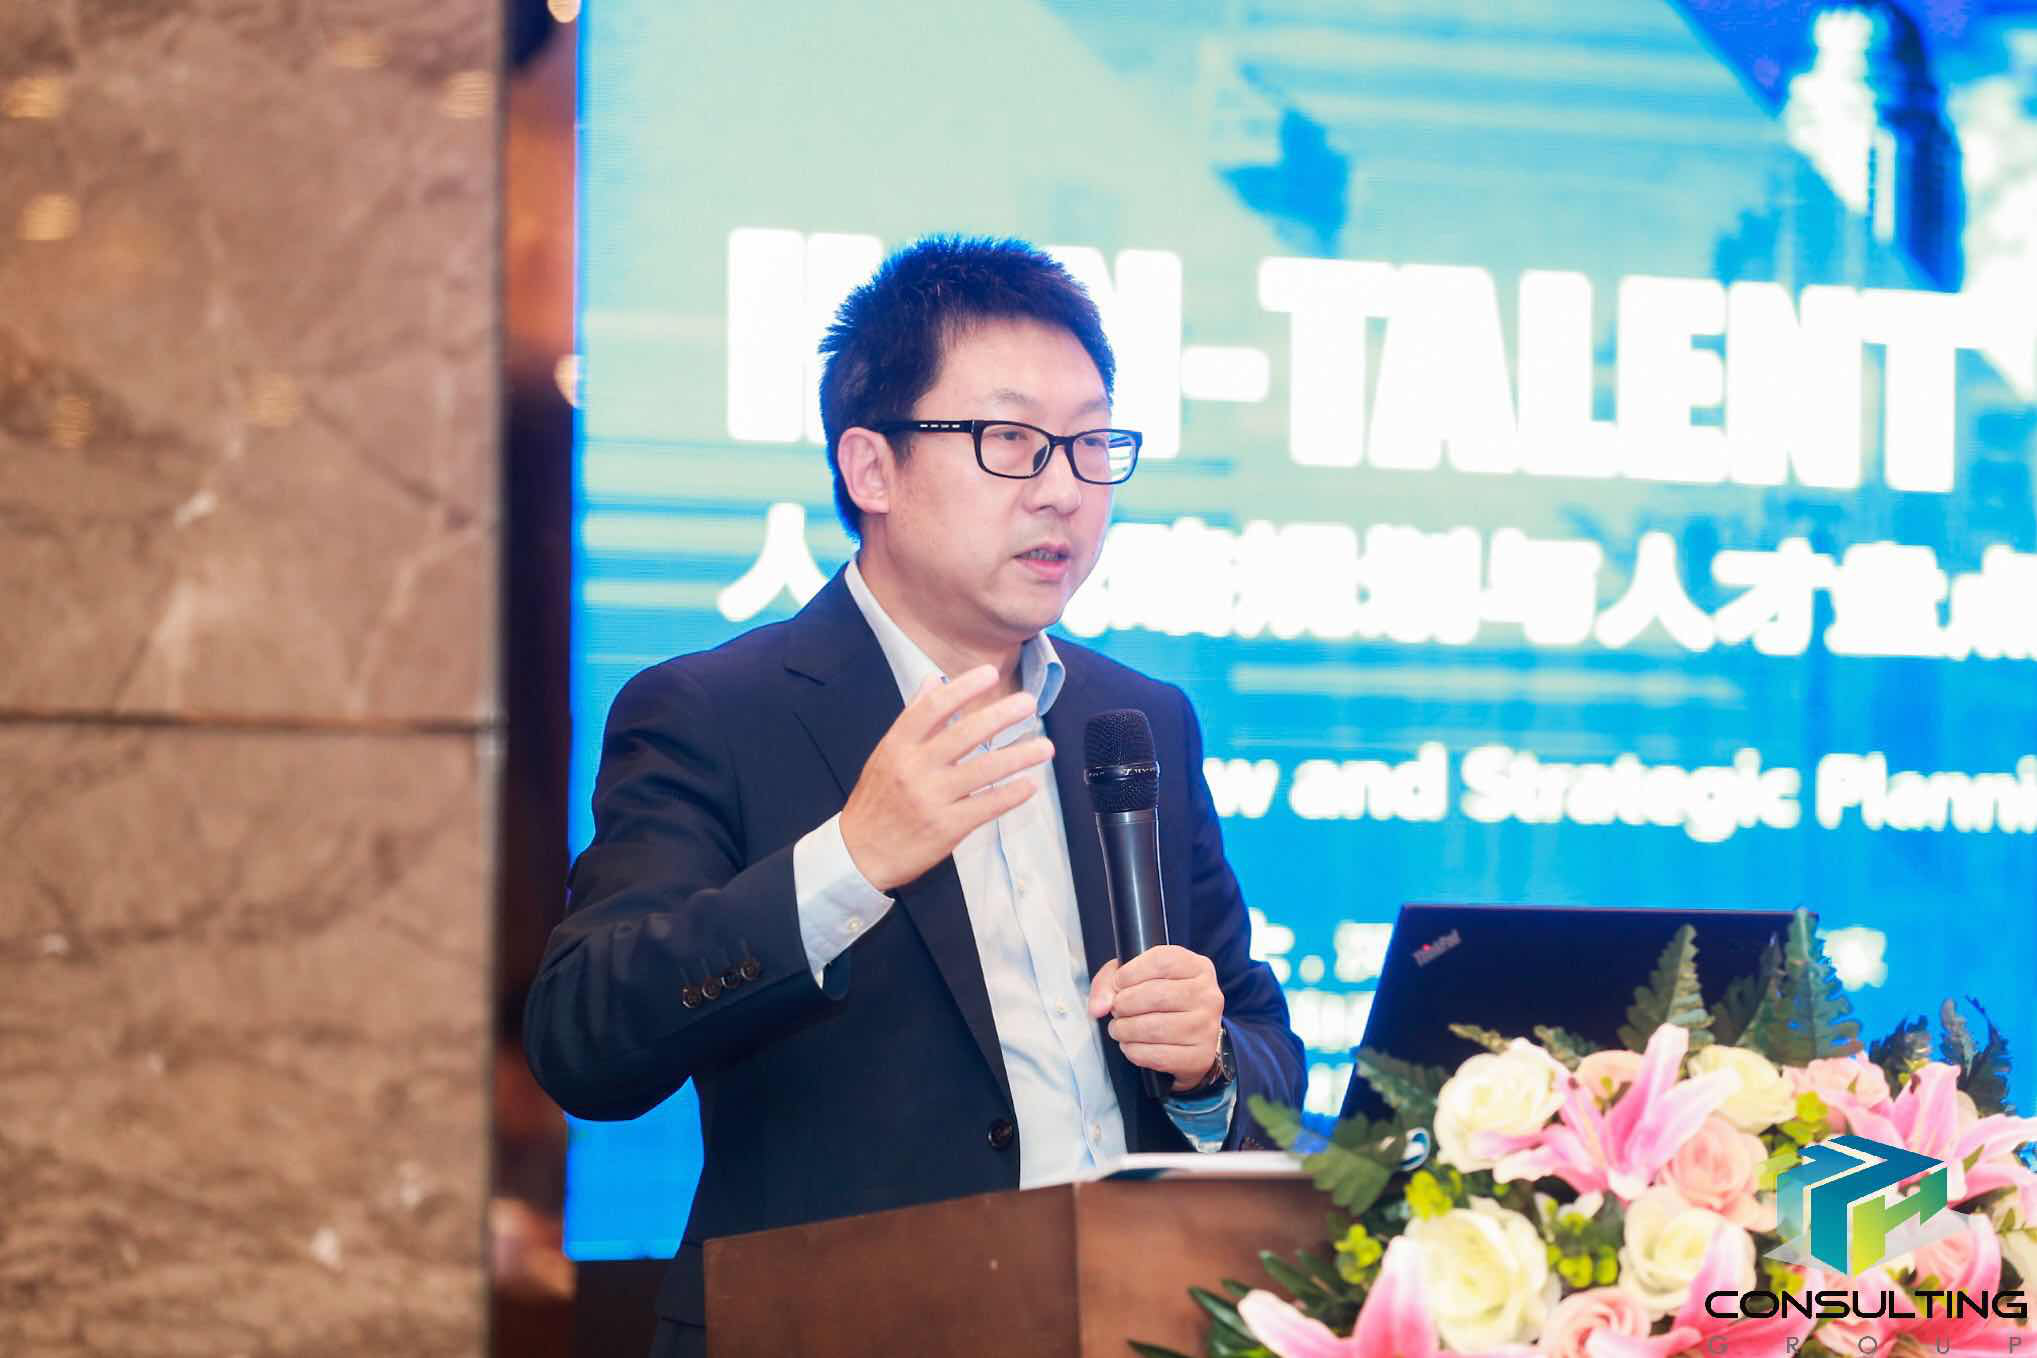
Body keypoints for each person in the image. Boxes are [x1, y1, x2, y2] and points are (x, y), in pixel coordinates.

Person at [523, 235, 1306, 1357]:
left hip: (1141, 1320)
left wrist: (1206, 1064)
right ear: (871, 469)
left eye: (1092, 443)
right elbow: (584, 1039)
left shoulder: (1137, 719)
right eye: (1009, 441)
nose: (1063, 489)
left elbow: (1264, 1047)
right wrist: (847, 860)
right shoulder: (714, 711)